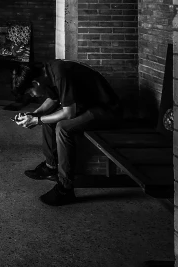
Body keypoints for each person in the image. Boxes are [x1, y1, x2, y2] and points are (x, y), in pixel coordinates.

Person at [12, 60, 123, 206]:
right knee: (47, 118)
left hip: (107, 110)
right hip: (87, 106)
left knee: (63, 128)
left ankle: (65, 188)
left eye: (30, 92)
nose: (32, 95)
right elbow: (53, 99)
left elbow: (68, 113)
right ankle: (51, 167)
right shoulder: (47, 73)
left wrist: (37, 121)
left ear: (35, 83)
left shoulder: (60, 74)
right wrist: (34, 115)